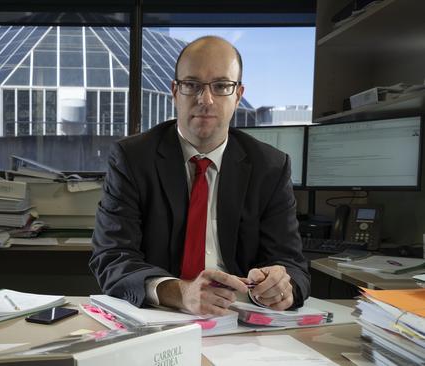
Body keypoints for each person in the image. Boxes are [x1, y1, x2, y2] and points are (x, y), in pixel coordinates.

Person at [89, 36, 310, 316]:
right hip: (161, 314)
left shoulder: (270, 166)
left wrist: (281, 287)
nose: (205, 99)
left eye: (220, 86)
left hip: (242, 318)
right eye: (192, 85)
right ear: (175, 91)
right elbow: (111, 258)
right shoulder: (132, 159)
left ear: (238, 95)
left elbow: (292, 265)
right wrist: (180, 293)